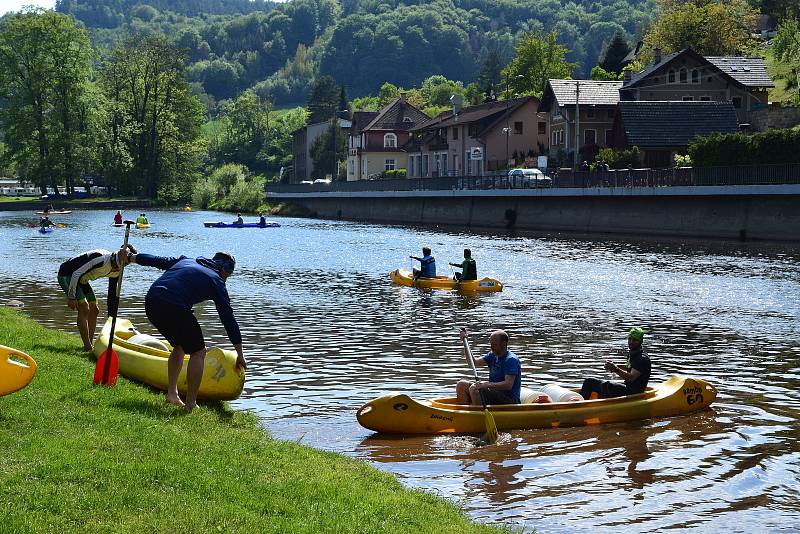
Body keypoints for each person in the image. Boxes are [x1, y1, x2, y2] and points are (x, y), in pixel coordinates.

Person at [125, 250, 246, 410]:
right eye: (228, 275)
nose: (226, 279)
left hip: (152, 300)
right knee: (199, 352)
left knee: (180, 346)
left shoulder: (186, 260)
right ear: (225, 270)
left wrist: (131, 258)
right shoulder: (217, 281)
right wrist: (240, 353)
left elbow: (157, 260)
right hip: (174, 306)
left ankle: (172, 394)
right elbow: (228, 318)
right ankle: (190, 404)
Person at [57, 246, 136, 352]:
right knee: (84, 307)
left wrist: (111, 319)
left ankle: (89, 345)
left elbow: (112, 295)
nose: (126, 264)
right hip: (67, 274)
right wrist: (71, 297)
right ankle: (88, 347)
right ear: (121, 254)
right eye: (127, 259)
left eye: (128, 262)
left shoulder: (117, 272)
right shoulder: (101, 258)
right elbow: (76, 273)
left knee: (95, 309)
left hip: (82, 279)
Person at [580, 327, 651, 400]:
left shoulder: (642, 358)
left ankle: (578, 406)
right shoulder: (634, 354)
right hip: (628, 389)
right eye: (630, 339)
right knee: (591, 382)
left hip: (633, 394)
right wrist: (615, 366)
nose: (631, 342)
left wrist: (615, 369)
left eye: (635, 340)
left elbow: (631, 378)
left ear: (640, 341)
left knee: (591, 382)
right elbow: (631, 367)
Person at [456, 329, 521, 405]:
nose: (491, 347)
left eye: (494, 344)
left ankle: (477, 415)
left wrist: (487, 385)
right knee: (461, 385)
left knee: (474, 389)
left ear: (504, 344)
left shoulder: (510, 359)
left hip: (509, 399)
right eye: (491, 344)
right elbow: (472, 363)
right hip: (494, 393)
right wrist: (465, 341)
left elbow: (508, 385)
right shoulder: (492, 355)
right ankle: (463, 413)